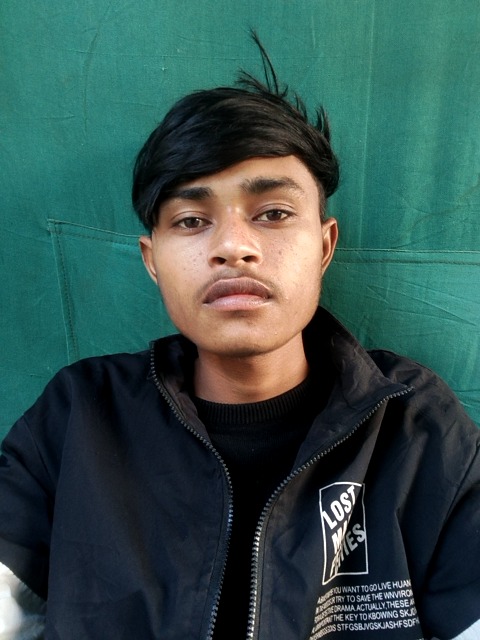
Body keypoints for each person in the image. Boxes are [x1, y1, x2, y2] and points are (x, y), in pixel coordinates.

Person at [0, 41, 479, 640]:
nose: (233, 246)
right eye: (191, 221)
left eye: (273, 213)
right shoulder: (78, 417)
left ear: (325, 245)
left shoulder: (414, 425)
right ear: (152, 261)